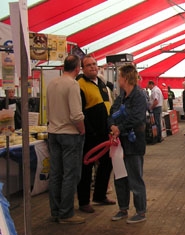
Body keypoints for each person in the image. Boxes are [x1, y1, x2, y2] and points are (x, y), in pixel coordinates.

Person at [46, 54, 86, 224]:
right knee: (70, 174)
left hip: (52, 132)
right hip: (69, 134)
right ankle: (66, 213)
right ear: (77, 68)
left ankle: (55, 211)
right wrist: (82, 131)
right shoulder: (72, 84)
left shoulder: (52, 83)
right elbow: (76, 114)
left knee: (56, 173)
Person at [108, 64, 148, 224]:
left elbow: (137, 117)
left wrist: (119, 127)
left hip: (134, 141)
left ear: (125, 78)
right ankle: (123, 208)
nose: (118, 80)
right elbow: (111, 112)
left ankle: (140, 211)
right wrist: (112, 126)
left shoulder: (139, 96)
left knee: (135, 177)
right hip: (119, 142)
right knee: (120, 176)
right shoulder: (121, 96)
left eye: (119, 77)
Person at [77, 55, 115, 213]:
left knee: (107, 163)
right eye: (88, 65)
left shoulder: (101, 83)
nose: (92, 67)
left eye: (94, 64)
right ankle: (84, 201)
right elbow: (79, 111)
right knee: (86, 167)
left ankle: (99, 195)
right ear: (82, 68)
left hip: (105, 132)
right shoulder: (79, 84)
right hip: (90, 134)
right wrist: (89, 131)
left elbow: (108, 105)